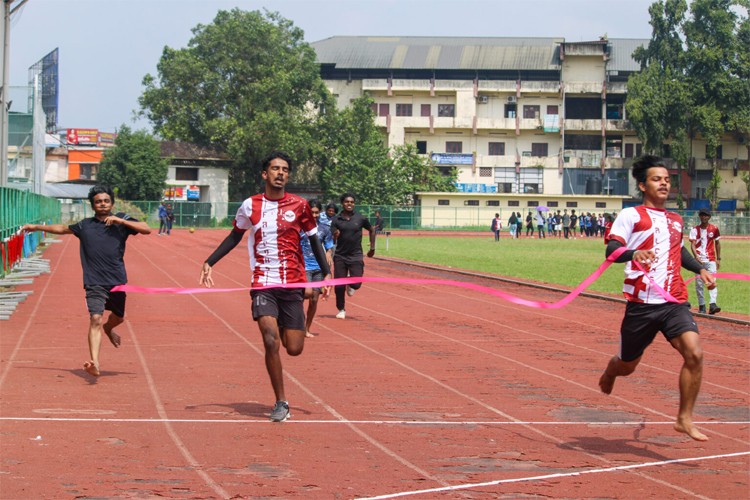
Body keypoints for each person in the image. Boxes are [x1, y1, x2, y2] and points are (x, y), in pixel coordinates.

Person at [199, 151, 331, 422]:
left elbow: (315, 241)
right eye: (275, 168)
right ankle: (281, 402)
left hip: (293, 282)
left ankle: (287, 318)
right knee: (270, 339)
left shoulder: (301, 206)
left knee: (293, 348)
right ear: (265, 174)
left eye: (284, 169)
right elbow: (234, 236)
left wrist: (327, 275)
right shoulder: (250, 206)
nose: (280, 173)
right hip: (263, 282)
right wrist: (210, 261)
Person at [599, 155, 715, 442]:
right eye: (656, 179)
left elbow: (680, 252)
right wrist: (633, 253)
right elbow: (611, 250)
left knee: (695, 353)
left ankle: (684, 418)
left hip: (674, 301)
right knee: (628, 366)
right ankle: (612, 370)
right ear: (642, 185)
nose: (664, 183)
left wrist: (700, 269)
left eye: (667, 179)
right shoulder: (631, 215)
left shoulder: (676, 220)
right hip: (642, 305)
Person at [22, 185, 151, 377]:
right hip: (94, 281)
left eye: (106, 201)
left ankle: (109, 328)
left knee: (119, 317)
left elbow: (146, 229)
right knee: (95, 318)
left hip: (117, 280)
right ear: (93, 205)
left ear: (112, 203)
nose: (103, 204)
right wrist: (36, 227)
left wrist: (119, 221)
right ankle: (95, 362)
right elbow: (62, 228)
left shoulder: (122, 220)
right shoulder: (85, 226)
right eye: (98, 201)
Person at [330, 193, 376, 319]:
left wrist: (372, 248)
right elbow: (333, 236)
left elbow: (372, 230)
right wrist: (335, 234)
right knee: (339, 285)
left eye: (351, 202)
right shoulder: (336, 219)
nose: (349, 204)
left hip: (355, 255)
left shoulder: (360, 218)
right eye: (346, 202)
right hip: (340, 255)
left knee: (357, 283)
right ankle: (341, 309)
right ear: (342, 204)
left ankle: (351, 284)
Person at [301, 199, 335, 337]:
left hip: (318, 267)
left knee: (314, 299)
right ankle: (295, 324)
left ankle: (306, 329)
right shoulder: (299, 228)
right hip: (303, 267)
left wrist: (328, 254)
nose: (314, 215)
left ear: (320, 212)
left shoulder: (324, 229)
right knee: (303, 295)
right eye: (311, 212)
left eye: (316, 212)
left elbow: (329, 247)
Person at [689, 209, 722, 315]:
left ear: (709, 217)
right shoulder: (694, 230)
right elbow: (692, 244)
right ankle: (702, 305)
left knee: (712, 281)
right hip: (699, 260)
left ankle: (713, 304)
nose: (704, 217)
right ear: (699, 217)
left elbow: (717, 243)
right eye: (702, 215)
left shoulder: (714, 228)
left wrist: (718, 258)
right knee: (699, 283)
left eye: (706, 216)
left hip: (711, 259)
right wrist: (696, 256)